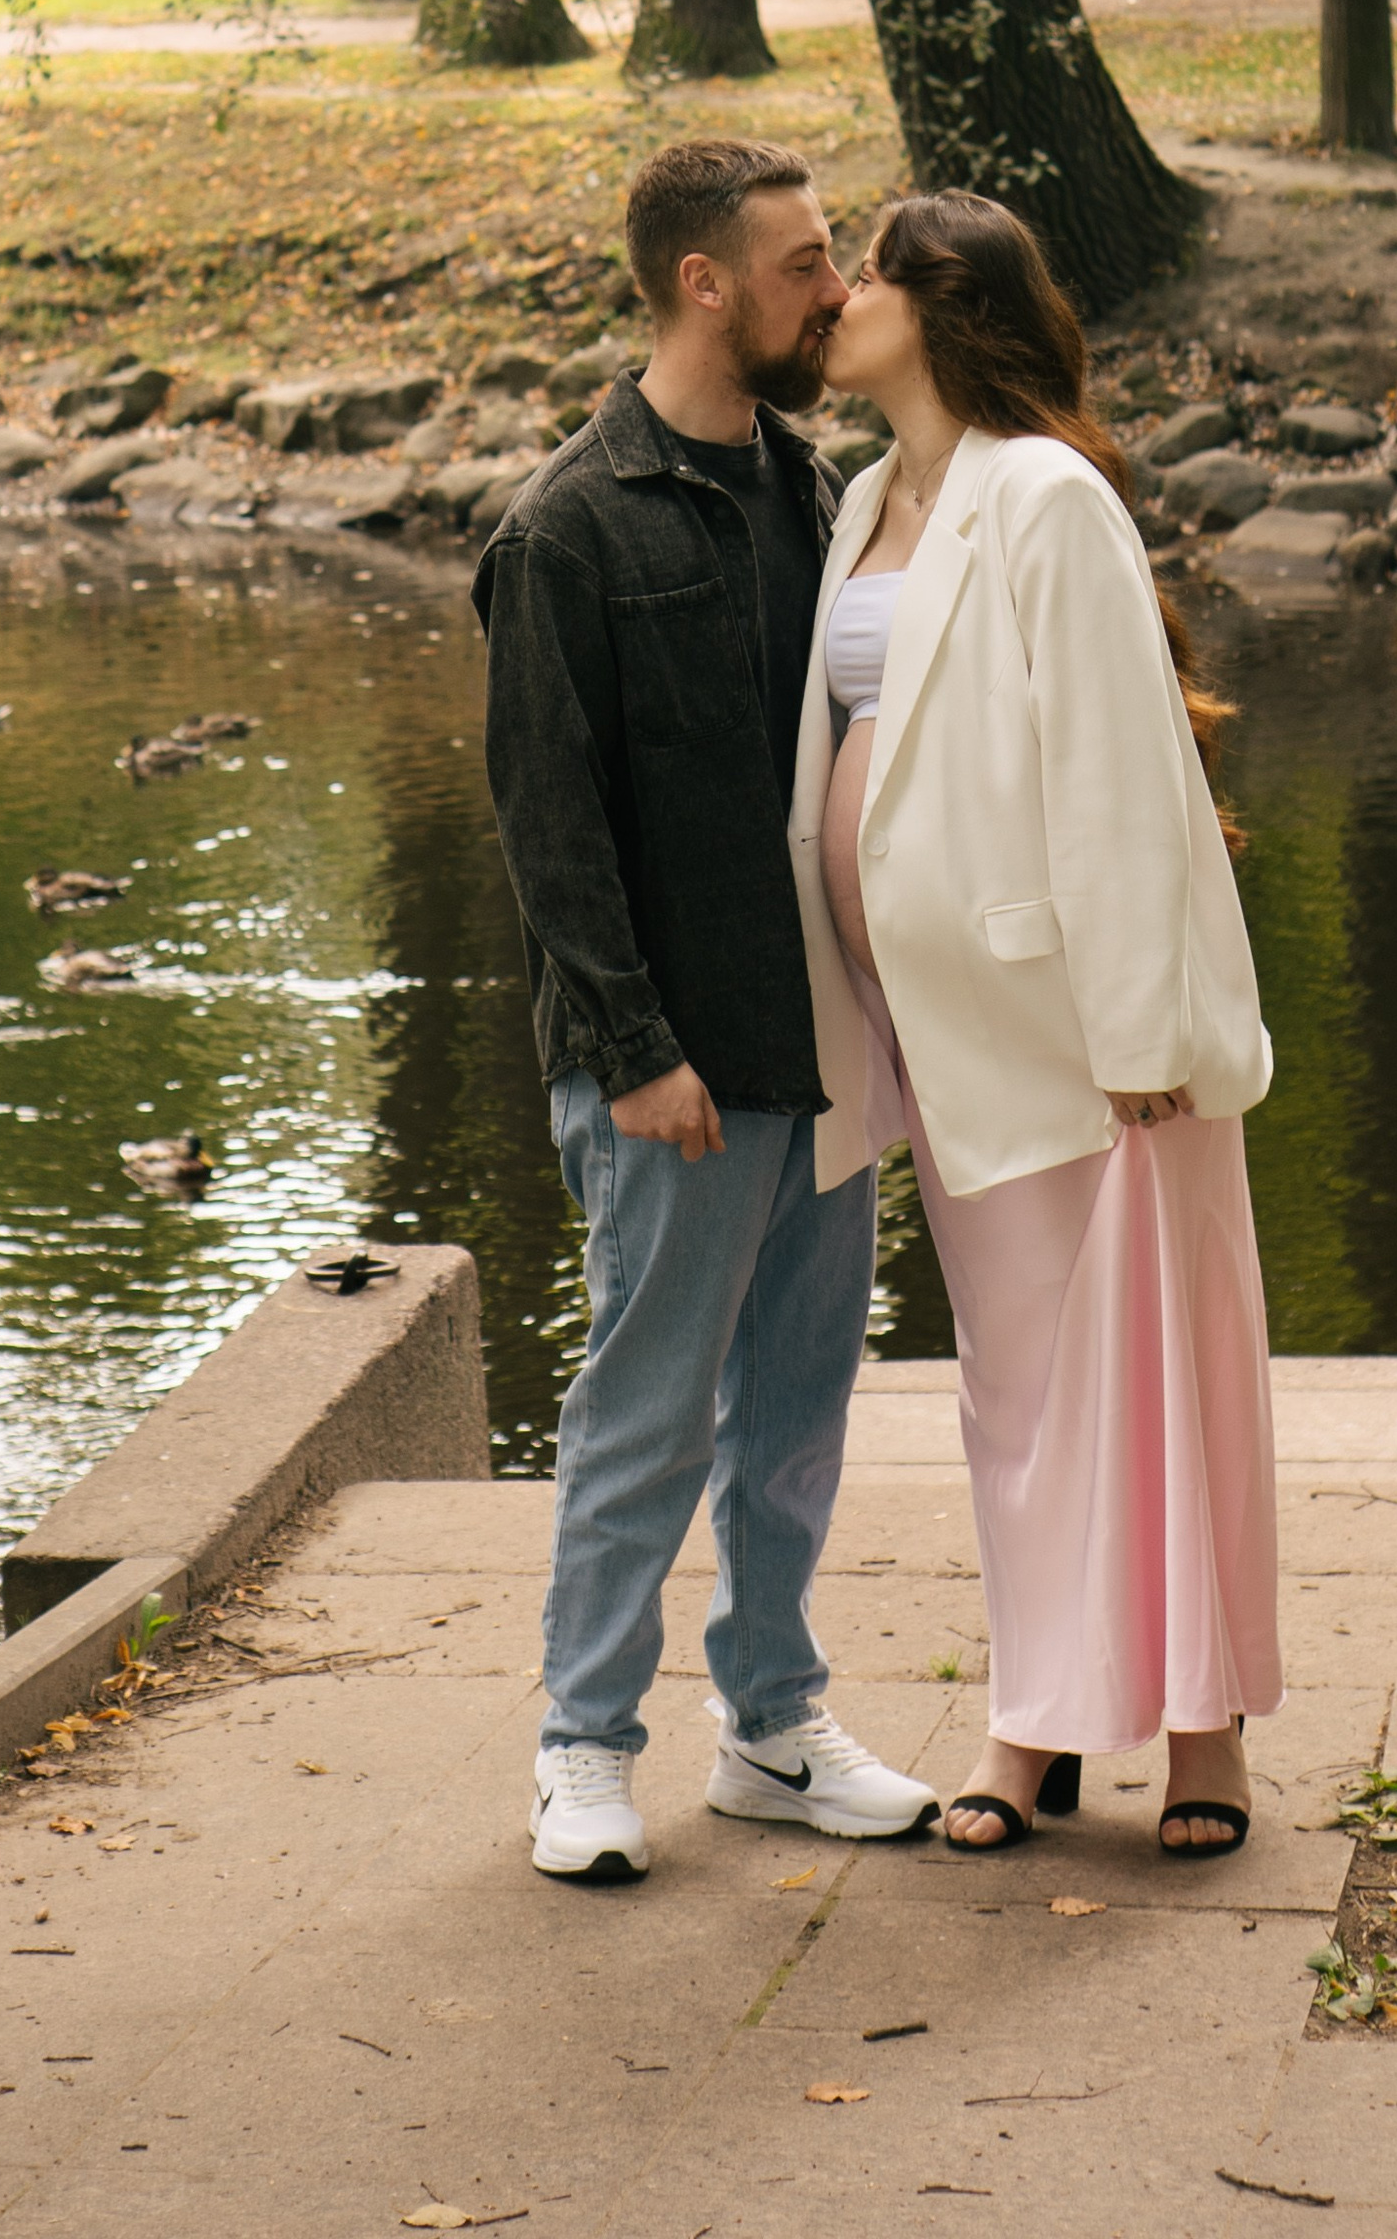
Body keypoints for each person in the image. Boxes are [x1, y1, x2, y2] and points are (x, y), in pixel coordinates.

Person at [790, 189, 1283, 1857]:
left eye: (867, 274)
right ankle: (1040, 1714)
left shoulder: (1046, 494)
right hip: (940, 1026)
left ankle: (1202, 1732)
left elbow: (1121, 771)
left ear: (943, 305)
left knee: (1152, 1370)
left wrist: (1140, 1034)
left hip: (1084, 1031)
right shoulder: (871, 496)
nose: (839, 298)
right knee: (1015, 1389)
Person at [474, 138, 940, 1883]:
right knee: (645, 1418)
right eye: (807, 262)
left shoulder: (820, 494)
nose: (838, 289)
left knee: (798, 1418)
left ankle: (772, 1728)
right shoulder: (565, 529)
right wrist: (636, 1051)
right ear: (705, 283)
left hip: (826, 1053)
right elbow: (551, 827)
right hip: (669, 1073)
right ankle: (584, 1749)